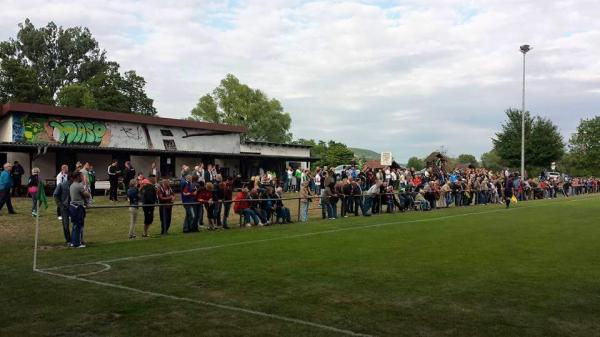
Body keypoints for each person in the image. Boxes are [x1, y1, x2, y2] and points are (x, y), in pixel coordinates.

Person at [69, 172, 90, 248]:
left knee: (75, 225)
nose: (82, 177)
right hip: (78, 208)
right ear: (77, 177)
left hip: (73, 207)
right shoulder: (79, 185)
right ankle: (77, 244)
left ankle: (73, 242)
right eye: (81, 176)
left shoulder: (72, 185)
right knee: (78, 225)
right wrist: (86, 189)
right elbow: (86, 195)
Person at [53, 173, 72, 245]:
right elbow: (55, 195)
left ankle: (76, 239)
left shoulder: (76, 185)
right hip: (65, 207)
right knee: (66, 224)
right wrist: (60, 205)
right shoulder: (61, 185)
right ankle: (68, 240)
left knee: (76, 224)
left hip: (74, 207)